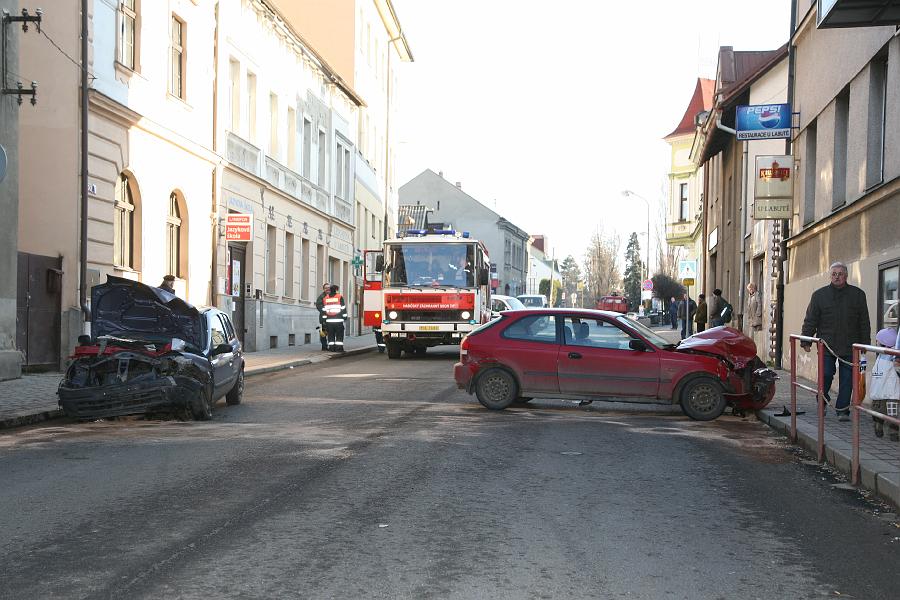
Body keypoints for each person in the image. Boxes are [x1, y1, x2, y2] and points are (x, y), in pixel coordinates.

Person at [800, 261, 871, 421]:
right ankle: (822, 401)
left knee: (847, 378)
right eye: (834, 274)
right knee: (825, 374)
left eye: (840, 274)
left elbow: (864, 321)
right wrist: (806, 340)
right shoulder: (819, 295)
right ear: (830, 276)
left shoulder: (858, 295)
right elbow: (811, 319)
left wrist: (864, 343)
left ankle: (842, 410)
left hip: (850, 344)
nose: (837, 277)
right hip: (827, 344)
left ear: (846, 276)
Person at [869, 327, 900, 440]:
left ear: (883, 343)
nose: (876, 342)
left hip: (879, 391)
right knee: (893, 413)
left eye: (878, 340)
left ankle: (879, 425)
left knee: (878, 411)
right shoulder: (894, 355)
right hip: (892, 392)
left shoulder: (881, 355)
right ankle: (893, 433)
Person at [322, 284, 348, 352]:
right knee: (339, 335)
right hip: (338, 320)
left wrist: (324, 319)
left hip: (329, 321)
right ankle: (339, 348)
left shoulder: (326, 298)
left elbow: (324, 310)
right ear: (336, 290)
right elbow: (343, 308)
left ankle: (331, 348)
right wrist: (345, 317)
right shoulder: (339, 297)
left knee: (330, 335)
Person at [314, 282, 330, 351]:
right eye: (326, 288)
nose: (327, 289)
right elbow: (318, 305)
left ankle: (332, 346)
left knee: (331, 333)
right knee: (323, 333)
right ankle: (324, 346)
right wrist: (325, 311)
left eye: (328, 288)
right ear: (324, 289)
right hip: (324, 318)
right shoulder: (321, 297)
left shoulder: (334, 296)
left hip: (333, 318)